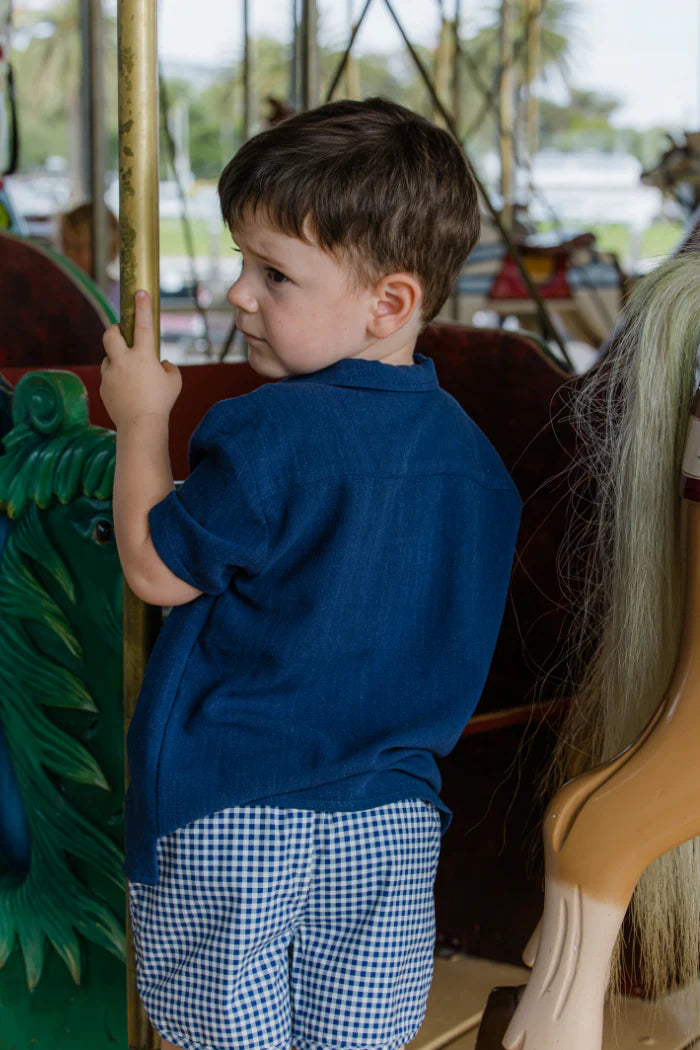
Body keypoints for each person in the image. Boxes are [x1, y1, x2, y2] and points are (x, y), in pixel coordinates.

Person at [100, 97, 521, 1050]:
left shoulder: (270, 432)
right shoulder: (477, 463)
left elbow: (154, 569)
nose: (240, 294)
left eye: (275, 274)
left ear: (390, 301)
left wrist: (138, 419)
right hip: (394, 817)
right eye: (243, 263)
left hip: (233, 801)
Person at [57, 199, 120, 311]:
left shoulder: (120, 296)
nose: (70, 254)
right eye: (66, 245)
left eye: (78, 248)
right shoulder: (59, 292)